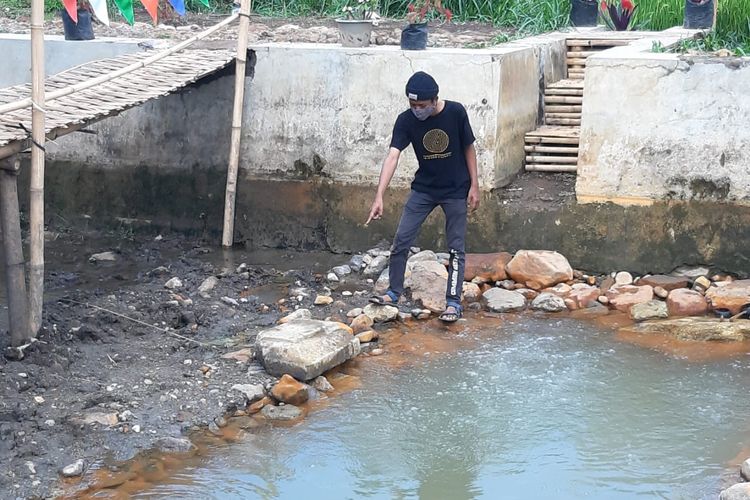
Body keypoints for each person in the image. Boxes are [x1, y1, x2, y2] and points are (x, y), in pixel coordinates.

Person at [366, 71, 479, 323]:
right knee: (401, 241)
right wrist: (379, 196)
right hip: (424, 189)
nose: (417, 110)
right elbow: (393, 156)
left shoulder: (456, 113)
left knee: (456, 249)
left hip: (455, 189)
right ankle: (393, 292)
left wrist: (475, 185)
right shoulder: (405, 121)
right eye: (412, 105)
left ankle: (452, 303)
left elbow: (468, 147)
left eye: (421, 105)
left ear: (434, 100)